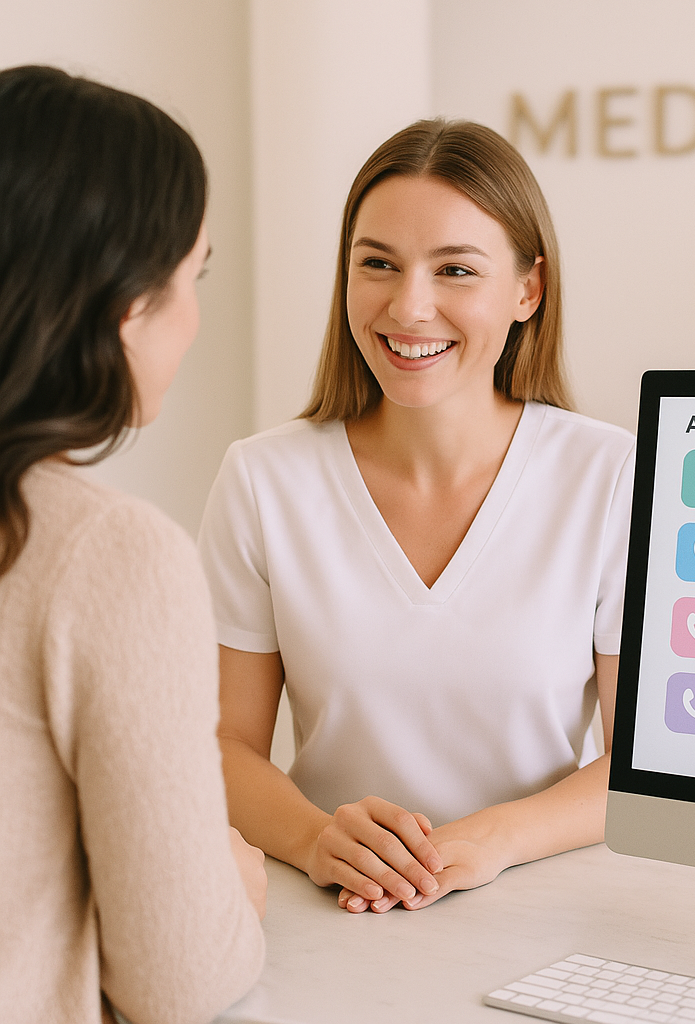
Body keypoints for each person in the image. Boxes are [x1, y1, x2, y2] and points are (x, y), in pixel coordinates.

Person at [199, 118, 635, 914]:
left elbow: (637, 761)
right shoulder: (263, 480)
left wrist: (492, 840)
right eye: (378, 265)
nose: (410, 306)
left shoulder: (608, 476)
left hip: (537, 905)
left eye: (456, 270)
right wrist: (312, 837)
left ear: (527, 290)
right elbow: (224, 745)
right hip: (325, 909)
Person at [0, 65, 266, 1023]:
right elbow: (180, 981)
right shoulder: (108, 554)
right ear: (122, 303)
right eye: (192, 276)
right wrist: (238, 880)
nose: (193, 316)